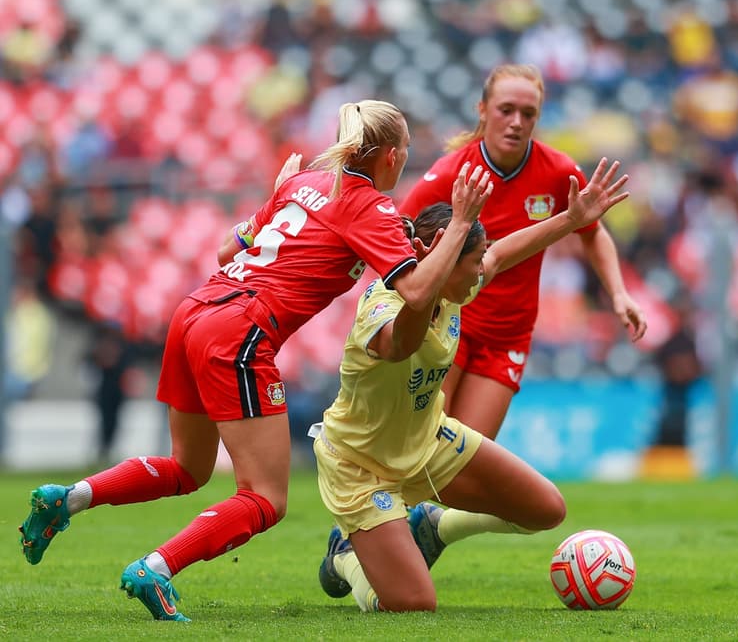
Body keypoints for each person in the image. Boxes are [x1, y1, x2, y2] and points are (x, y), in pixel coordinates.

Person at [18, 100, 464, 622]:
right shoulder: (368, 204)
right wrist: (461, 226)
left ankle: (67, 499)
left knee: (188, 467)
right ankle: (156, 569)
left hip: (196, 310)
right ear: (392, 156)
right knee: (266, 497)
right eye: (406, 150)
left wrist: (275, 195)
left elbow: (226, 249)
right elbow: (414, 290)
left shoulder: (303, 187)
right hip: (241, 330)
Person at [315, 157, 631, 612]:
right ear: (442, 261)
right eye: (474, 259)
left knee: (546, 510)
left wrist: (572, 219)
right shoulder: (384, 304)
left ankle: (434, 526)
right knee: (412, 603)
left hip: (428, 443)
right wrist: (446, 253)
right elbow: (402, 344)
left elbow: (502, 253)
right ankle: (345, 558)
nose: (484, 266)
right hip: (361, 465)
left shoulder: (455, 283)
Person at [400, 64, 647, 440]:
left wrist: (618, 292)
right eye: (506, 110)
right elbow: (399, 229)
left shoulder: (557, 172)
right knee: (424, 442)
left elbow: (592, 232)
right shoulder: (452, 172)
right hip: (450, 327)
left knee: (465, 454)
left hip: (508, 335)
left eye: (528, 113)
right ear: (483, 110)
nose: (516, 122)